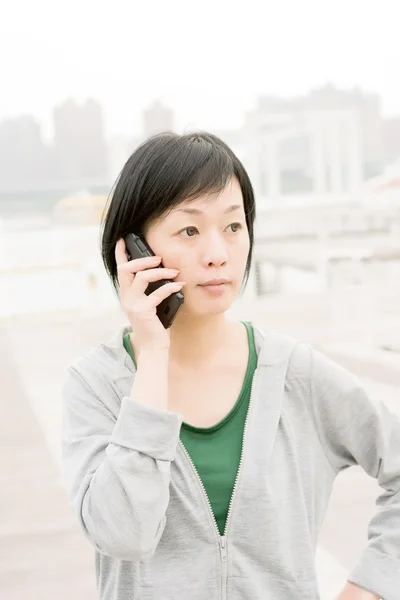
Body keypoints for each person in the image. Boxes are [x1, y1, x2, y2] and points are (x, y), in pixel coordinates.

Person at [61, 131, 400, 600]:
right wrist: (153, 354)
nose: (218, 252)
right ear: (134, 250)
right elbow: (124, 535)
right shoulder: (96, 385)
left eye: (234, 226)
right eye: (190, 230)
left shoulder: (293, 373)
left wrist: (369, 588)